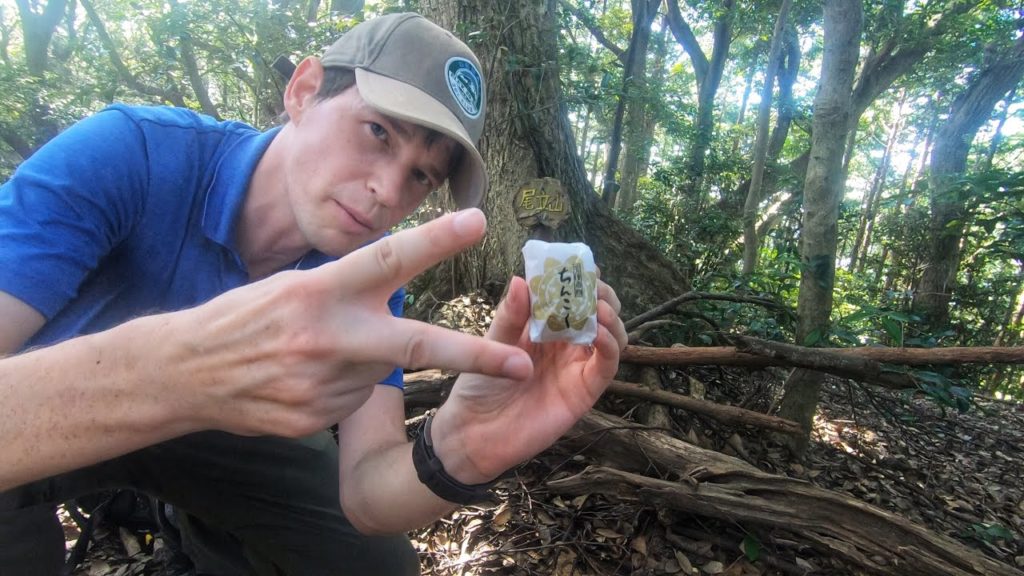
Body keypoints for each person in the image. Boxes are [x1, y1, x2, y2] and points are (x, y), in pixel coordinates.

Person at [0, 11, 626, 576]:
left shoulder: (366, 276)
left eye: (420, 175)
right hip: (43, 403)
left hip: (217, 434)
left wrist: (462, 446)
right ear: (302, 91)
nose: (388, 188)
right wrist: (186, 372)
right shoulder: (131, 152)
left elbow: (367, 496)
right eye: (378, 131)